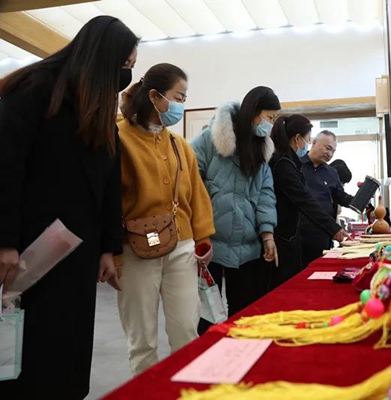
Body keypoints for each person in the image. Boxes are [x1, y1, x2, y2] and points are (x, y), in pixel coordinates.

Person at [0, 16, 138, 399]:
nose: (126, 75)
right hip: (30, 250)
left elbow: (110, 182)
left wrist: (109, 247)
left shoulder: (98, 105)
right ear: (102, 59)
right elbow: (6, 170)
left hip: (78, 250)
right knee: (29, 351)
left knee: (69, 347)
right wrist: (5, 241)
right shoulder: (35, 90)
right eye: (124, 65)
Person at [112, 63, 215, 374]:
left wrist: (203, 238)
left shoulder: (179, 145)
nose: (181, 104)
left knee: (186, 329)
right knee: (141, 338)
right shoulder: (118, 136)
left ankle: (186, 389)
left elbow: (197, 194)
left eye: (184, 98)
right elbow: (107, 200)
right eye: (178, 97)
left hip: (182, 245)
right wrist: (111, 253)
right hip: (133, 248)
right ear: (155, 96)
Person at [191, 86, 278, 334]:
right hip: (209, 244)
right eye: (270, 117)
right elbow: (189, 181)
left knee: (243, 315)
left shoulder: (261, 148)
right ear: (254, 112)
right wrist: (199, 227)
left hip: (246, 246)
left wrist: (267, 234)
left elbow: (265, 195)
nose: (271, 125)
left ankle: (237, 357)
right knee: (206, 318)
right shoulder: (210, 139)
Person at [268, 115, 348, 289]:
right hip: (285, 237)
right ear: (298, 139)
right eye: (308, 140)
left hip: (307, 236)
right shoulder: (284, 164)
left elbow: (339, 196)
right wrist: (334, 228)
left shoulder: (292, 163)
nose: (330, 154)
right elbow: (304, 200)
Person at [299, 130, 354, 268]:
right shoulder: (296, 166)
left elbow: (340, 196)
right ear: (314, 143)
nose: (330, 154)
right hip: (298, 234)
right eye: (328, 148)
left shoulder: (332, 172)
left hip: (323, 234)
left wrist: (360, 201)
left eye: (333, 151)